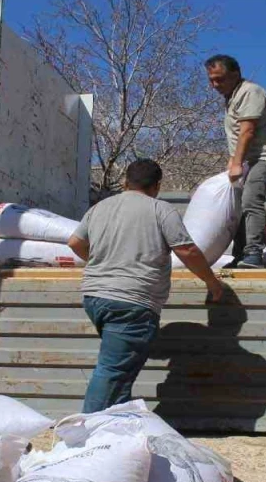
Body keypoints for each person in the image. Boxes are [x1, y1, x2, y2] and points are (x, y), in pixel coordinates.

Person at [67, 159, 227, 413]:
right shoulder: (160, 210)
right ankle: (90, 432)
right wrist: (212, 282)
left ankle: (116, 426)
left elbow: (75, 242)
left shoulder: (100, 207)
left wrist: (102, 262)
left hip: (95, 297)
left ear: (124, 182)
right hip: (131, 301)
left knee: (120, 369)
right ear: (157, 186)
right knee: (113, 370)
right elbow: (186, 249)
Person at [205, 54, 266, 268]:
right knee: (240, 205)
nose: (215, 84)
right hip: (249, 160)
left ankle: (253, 253)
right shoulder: (232, 97)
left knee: (251, 198)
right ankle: (240, 255)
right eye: (211, 79)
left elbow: (247, 131)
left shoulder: (250, 92)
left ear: (235, 74)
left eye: (220, 79)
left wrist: (236, 163)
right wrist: (234, 160)